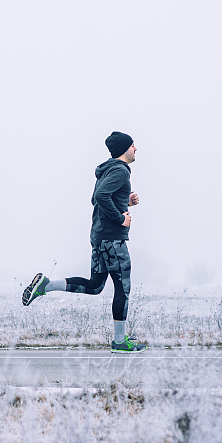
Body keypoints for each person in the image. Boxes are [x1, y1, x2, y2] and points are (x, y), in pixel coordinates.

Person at [22, 131, 147, 353]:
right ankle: (120, 341)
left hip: (99, 237)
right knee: (123, 287)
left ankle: (46, 285)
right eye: (133, 145)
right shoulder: (119, 170)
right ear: (124, 149)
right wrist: (121, 219)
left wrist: (124, 201)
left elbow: (96, 197)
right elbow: (100, 197)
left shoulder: (106, 169)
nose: (136, 149)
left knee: (96, 285)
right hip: (112, 239)